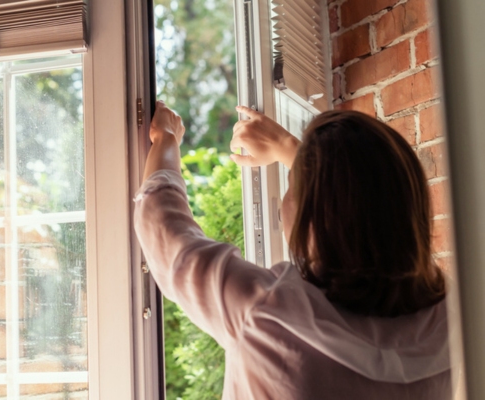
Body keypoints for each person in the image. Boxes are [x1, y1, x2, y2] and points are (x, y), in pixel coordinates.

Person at [134, 101, 451, 399]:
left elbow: (166, 228)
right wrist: (290, 149)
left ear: (313, 212)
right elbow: (366, 200)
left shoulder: (267, 318)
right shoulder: (449, 323)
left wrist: (166, 137)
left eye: (291, 184)